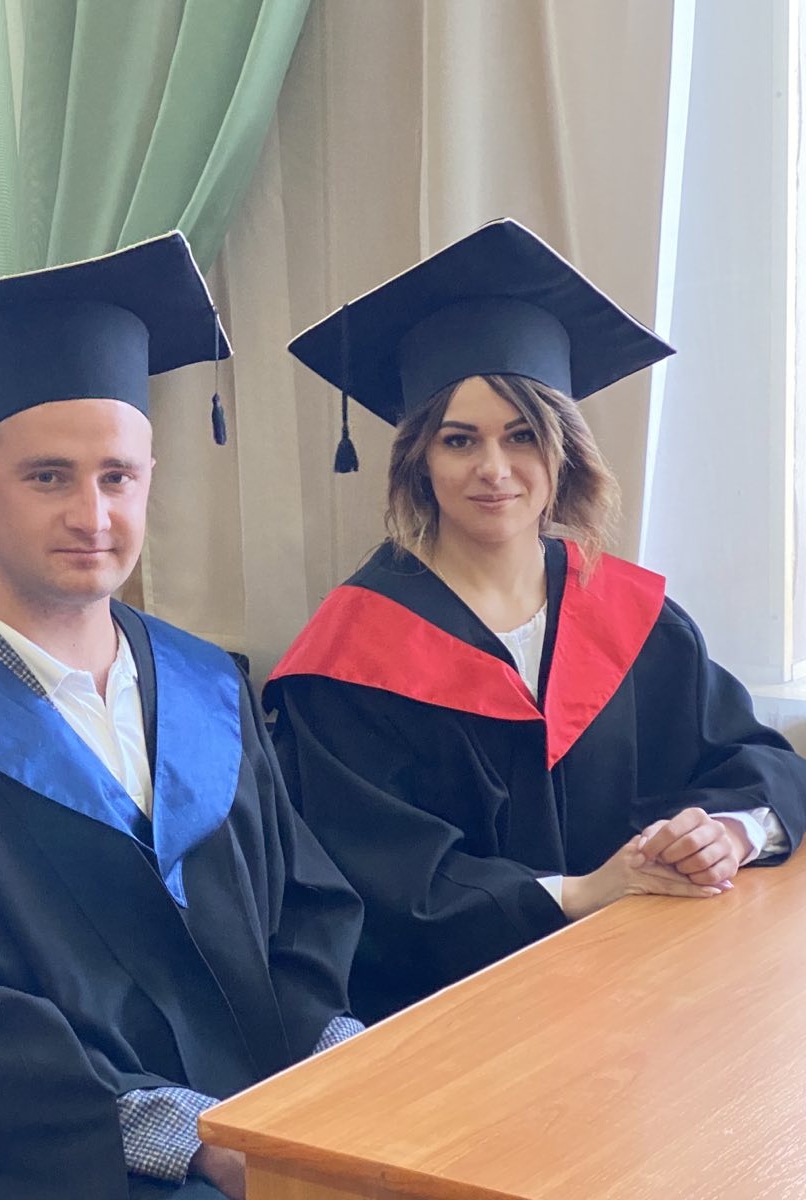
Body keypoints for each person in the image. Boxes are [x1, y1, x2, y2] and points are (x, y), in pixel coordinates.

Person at [0, 233, 366, 1200]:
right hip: (60, 1167)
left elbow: (302, 913)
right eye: (48, 477)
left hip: (265, 1136)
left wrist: (335, 1075)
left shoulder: (207, 686)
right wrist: (196, 1143)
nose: (93, 517)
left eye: (117, 476)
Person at [267, 219, 806, 1022]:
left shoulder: (633, 619)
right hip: (457, 1017)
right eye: (460, 441)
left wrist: (725, 833)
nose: (495, 469)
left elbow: (758, 762)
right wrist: (581, 892)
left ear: (563, 451)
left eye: (523, 436)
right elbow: (377, 882)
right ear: (420, 460)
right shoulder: (350, 659)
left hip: (647, 989)